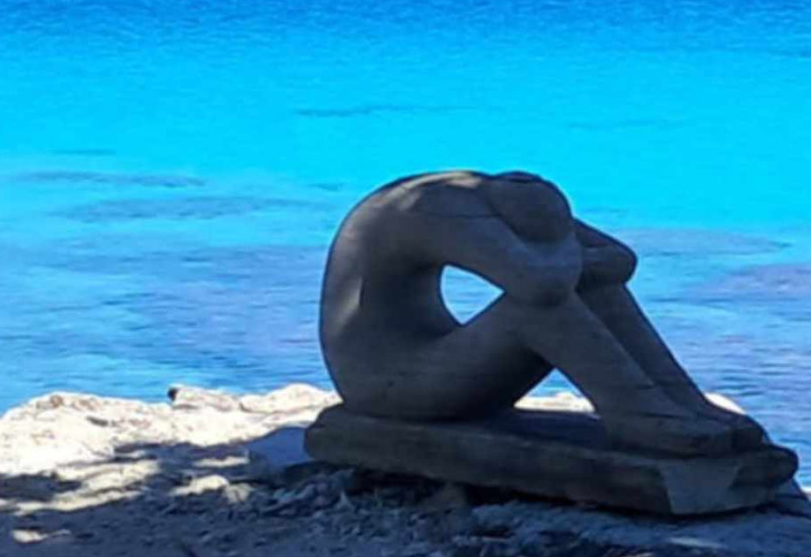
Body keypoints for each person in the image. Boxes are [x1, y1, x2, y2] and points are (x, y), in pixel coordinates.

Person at [318, 170, 769, 457]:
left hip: (438, 369)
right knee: (538, 308)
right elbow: (541, 285)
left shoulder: (501, 200)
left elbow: (620, 260)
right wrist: (565, 255)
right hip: (386, 386)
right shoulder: (438, 210)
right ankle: (638, 415)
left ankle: (683, 402)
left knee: (596, 288)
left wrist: (563, 252)